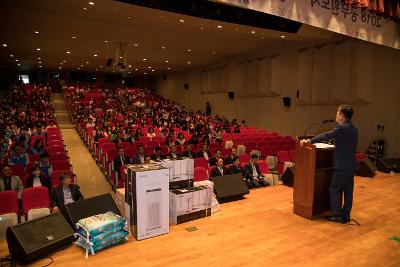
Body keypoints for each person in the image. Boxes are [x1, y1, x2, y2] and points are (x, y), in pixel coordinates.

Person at [300, 105, 358, 223]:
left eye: (337, 113)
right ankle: (346, 215)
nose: (336, 115)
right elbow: (346, 143)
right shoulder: (355, 128)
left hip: (341, 165)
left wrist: (309, 141)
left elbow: (326, 135)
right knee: (348, 191)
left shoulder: (341, 128)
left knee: (334, 188)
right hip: (351, 165)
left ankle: (338, 215)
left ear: (342, 115)